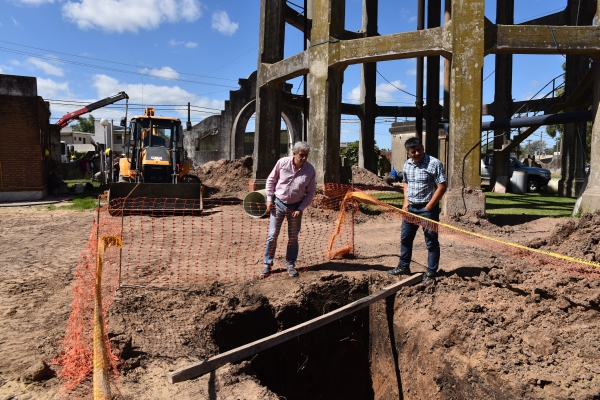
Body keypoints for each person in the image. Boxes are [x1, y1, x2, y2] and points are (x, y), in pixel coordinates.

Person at [387, 137, 447, 283]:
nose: (417, 153)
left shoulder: (434, 164)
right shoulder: (407, 165)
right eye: (413, 151)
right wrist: (405, 202)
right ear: (408, 153)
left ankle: (431, 272)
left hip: (427, 209)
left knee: (431, 242)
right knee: (405, 239)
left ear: (423, 147)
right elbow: (406, 183)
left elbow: (442, 186)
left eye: (419, 149)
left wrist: (430, 206)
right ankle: (404, 266)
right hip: (410, 208)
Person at [261, 141, 316, 278]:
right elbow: (271, 180)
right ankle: (267, 264)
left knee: (293, 237)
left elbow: (310, 193)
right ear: (294, 153)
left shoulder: (310, 170)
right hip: (278, 204)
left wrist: (301, 208)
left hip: (295, 208)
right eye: (301, 155)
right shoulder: (282, 163)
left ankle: (290, 264)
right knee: (272, 235)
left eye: (306, 155)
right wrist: (269, 198)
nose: (304, 158)